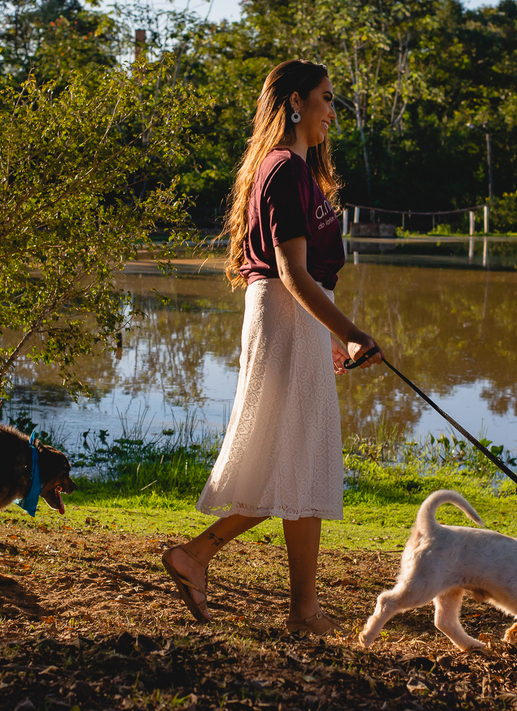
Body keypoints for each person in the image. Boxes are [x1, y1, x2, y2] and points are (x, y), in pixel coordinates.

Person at [161, 60, 382, 634]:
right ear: (294, 104)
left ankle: (287, 601)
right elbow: (291, 270)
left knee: (300, 459)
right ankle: (210, 562)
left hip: (293, 319)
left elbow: (307, 277)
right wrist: (353, 332)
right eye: (326, 99)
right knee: (291, 456)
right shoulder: (283, 169)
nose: (333, 111)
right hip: (284, 315)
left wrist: (328, 333)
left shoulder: (297, 172)